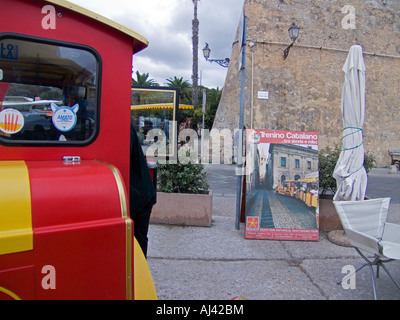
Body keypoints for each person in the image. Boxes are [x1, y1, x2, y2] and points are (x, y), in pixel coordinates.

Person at [129, 123, 156, 258]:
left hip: (139, 195)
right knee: (138, 240)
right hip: (138, 193)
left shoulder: (122, 126)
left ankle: (139, 275)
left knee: (138, 242)